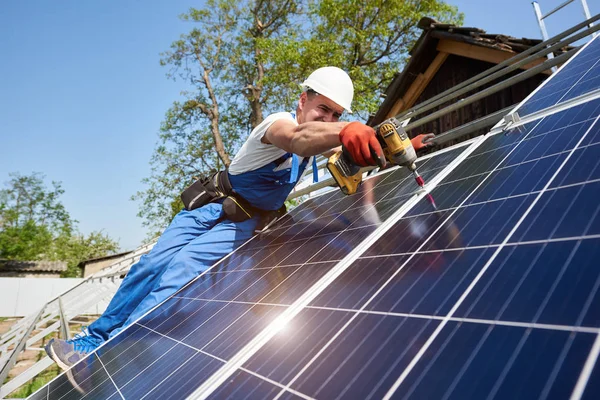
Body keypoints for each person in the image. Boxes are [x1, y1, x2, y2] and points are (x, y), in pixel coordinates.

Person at [44, 66, 433, 371]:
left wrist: (389, 149)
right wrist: (346, 128)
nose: (329, 117)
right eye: (323, 108)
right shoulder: (279, 124)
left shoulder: (318, 146)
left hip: (244, 223)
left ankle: (107, 354)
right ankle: (90, 341)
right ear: (303, 100)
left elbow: (343, 165)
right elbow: (299, 137)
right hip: (211, 207)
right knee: (151, 264)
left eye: (336, 113)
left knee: (180, 276)